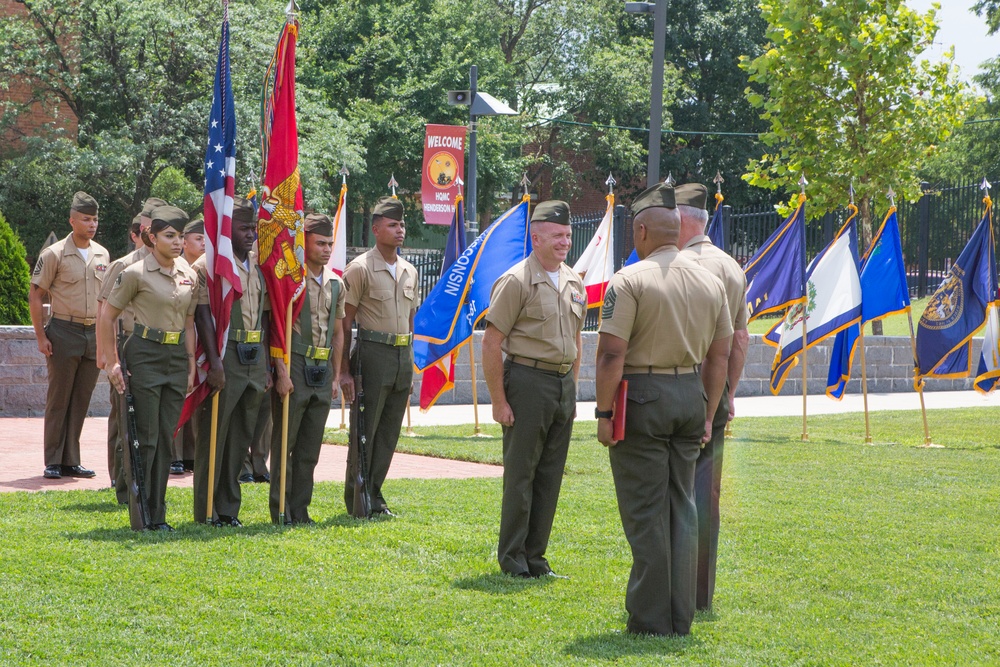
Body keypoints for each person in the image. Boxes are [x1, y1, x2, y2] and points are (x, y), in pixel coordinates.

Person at [594, 182, 732, 636]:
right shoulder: (712, 281)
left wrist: (603, 413)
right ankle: (680, 614)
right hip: (691, 394)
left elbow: (612, 354)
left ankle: (651, 618)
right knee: (683, 507)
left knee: (646, 509)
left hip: (643, 398)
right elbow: (719, 357)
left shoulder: (630, 279)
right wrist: (710, 413)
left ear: (641, 231)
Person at [481, 199, 586, 579]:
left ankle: (536, 558)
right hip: (527, 382)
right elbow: (492, 343)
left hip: (560, 386)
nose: (564, 242)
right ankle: (512, 558)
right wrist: (498, 401)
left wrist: (571, 388)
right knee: (521, 475)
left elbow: (576, 339)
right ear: (536, 236)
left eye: (568, 236)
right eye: (557, 235)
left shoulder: (574, 281)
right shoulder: (516, 281)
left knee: (550, 476)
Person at [100, 205, 198, 531]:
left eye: (181, 236)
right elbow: (107, 316)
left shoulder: (188, 273)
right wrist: (111, 360)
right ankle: (140, 513)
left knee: (167, 440)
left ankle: (158, 514)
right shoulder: (135, 273)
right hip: (144, 353)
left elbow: (189, 321)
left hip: (174, 357)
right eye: (170, 236)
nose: (177, 242)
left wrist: (190, 364)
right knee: (146, 437)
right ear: (151, 237)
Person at [676, 183, 750, 612]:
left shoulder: (670, 266)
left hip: (676, 384)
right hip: (715, 392)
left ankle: (673, 587)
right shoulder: (731, 267)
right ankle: (701, 594)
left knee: (672, 491)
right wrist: (728, 393)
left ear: (683, 220)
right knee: (707, 494)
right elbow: (739, 341)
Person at [189, 199, 269, 526]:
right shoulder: (209, 265)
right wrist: (216, 364)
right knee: (214, 436)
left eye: (254, 229)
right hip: (225, 354)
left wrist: (265, 364)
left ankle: (228, 510)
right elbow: (203, 314)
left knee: (239, 438)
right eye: (244, 228)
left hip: (252, 357)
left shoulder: (257, 266)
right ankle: (206, 509)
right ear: (227, 230)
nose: (251, 235)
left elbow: (263, 318)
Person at [339, 197, 419, 517]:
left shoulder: (409, 270)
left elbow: (411, 321)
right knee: (365, 431)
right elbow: (345, 323)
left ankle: (375, 494)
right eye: (392, 224)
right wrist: (344, 371)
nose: (399, 230)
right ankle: (357, 498)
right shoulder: (359, 268)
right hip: (372, 353)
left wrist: (409, 366)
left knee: (388, 433)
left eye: (401, 225)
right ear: (376, 229)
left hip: (401, 355)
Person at [270, 213, 346, 525]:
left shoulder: (336, 282)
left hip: (322, 365)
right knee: (285, 443)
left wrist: (336, 375)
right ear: (305, 242)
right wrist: (281, 371)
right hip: (296, 363)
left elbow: (339, 331)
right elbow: (275, 325)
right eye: (320, 243)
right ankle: (281, 509)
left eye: (330, 243)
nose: (327, 249)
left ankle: (301, 509)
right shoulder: (290, 279)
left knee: (310, 447)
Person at [29, 191, 111, 480]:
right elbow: (36, 295)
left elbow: (105, 302)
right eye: (86, 219)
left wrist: (103, 339)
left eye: (95, 219)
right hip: (63, 330)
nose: (92, 224)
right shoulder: (54, 254)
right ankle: (52, 460)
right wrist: (41, 337)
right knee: (59, 398)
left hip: (91, 333)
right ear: (72, 220)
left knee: (81, 400)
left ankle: (71, 460)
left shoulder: (103, 254)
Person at [97, 197, 166, 499]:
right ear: (143, 229)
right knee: (123, 416)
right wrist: (107, 355)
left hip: (158, 347)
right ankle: (121, 480)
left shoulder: (173, 265)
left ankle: (147, 481)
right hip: (128, 344)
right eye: (151, 227)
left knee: (152, 423)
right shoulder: (124, 265)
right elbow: (104, 312)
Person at [171, 215, 206, 475]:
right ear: (184, 242)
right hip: (177, 340)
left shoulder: (207, 269)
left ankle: (190, 455)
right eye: (198, 238)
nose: (204, 242)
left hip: (198, 342)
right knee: (178, 398)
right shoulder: (180, 268)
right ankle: (175, 456)